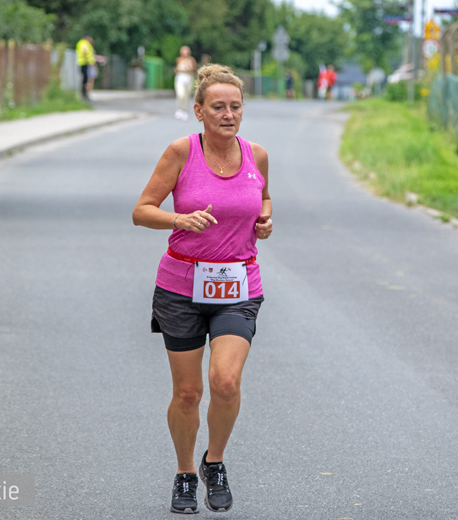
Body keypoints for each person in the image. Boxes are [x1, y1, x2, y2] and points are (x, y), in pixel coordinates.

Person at [132, 64, 273, 515]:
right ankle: (185, 472)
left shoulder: (257, 155)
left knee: (226, 382)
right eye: (218, 107)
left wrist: (265, 220)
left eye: (235, 106)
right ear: (199, 111)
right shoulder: (180, 152)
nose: (228, 114)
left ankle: (216, 463)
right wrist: (179, 219)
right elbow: (142, 210)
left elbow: (263, 198)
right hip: (180, 286)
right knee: (189, 392)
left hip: (237, 284)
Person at [174, 46, 197, 121]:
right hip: (180, 78)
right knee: (180, 94)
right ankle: (179, 109)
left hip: (189, 78)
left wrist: (188, 69)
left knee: (186, 95)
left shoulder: (191, 60)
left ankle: (185, 110)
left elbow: (194, 70)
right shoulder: (178, 60)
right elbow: (176, 69)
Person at [76, 35, 96, 100]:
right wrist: (86, 60)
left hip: (83, 63)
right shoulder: (84, 43)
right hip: (84, 63)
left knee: (85, 78)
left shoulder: (81, 43)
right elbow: (84, 51)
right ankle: (84, 93)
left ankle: (84, 92)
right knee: (85, 79)